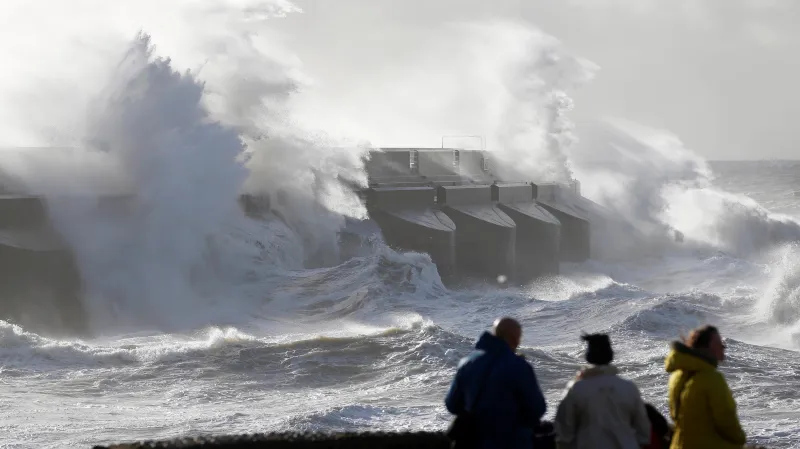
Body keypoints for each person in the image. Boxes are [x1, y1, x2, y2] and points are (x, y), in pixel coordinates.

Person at [445, 317, 547, 449]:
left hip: (475, 442)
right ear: (514, 338)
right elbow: (537, 409)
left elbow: (452, 404)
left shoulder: (467, 363)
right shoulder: (519, 366)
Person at [553, 333, 651, 449]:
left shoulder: (577, 389)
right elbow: (644, 432)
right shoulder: (628, 388)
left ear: (588, 355)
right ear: (611, 354)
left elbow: (564, 431)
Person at [664, 325, 746, 449]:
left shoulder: (676, 376)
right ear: (706, 347)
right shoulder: (712, 378)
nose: (724, 347)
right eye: (719, 343)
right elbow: (726, 421)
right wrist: (741, 439)